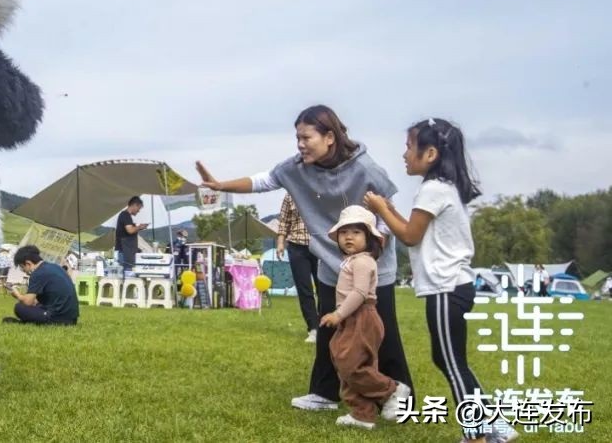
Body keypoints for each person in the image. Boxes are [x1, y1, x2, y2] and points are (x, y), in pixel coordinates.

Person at [196, 105, 413, 412]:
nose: (299, 144)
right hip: (330, 262)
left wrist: (373, 249)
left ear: (329, 137)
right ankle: (324, 393)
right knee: (328, 331)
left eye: (305, 137)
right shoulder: (297, 168)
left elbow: (384, 212)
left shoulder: (365, 169)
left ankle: (399, 397)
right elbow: (263, 180)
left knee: (380, 330)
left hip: (372, 265)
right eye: (296, 137)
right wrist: (220, 185)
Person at [365, 118, 518, 442]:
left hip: (447, 288)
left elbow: (408, 235)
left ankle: (479, 435)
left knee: (452, 362)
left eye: (409, 147)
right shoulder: (441, 188)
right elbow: (416, 232)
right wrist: (390, 210)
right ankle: (495, 427)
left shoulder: (433, 189)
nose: (404, 154)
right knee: (448, 358)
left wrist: (381, 208)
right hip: (453, 287)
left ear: (430, 153)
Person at [320, 206, 408, 430]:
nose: (348, 236)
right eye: (344, 232)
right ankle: (362, 414)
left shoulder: (363, 261)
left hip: (362, 317)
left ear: (369, 238)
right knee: (345, 362)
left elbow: (359, 293)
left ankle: (392, 389)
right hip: (352, 318)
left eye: (356, 232)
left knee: (351, 365)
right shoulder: (352, 260)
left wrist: (338, 314)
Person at [277, 192, 318, 343]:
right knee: (304, 289)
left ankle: (327, 327)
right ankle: (313, 329)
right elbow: (284, 221)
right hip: (296, 246)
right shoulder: (290, 194)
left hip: (321, 244)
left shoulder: (323, 189)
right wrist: (280, 243)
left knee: (325, 288)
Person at [4, 244, 78, 325]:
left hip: (57, 318)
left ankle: (27, 322)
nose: (24, 271)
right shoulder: (56, 267)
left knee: (19, 308)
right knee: (37, 306)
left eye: (22, 267)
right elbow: (37, 300)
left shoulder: (37, 273)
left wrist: (17, 295)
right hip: (72, 319)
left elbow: (28, 302)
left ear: (28, 263)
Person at [115, 196, 148, 271]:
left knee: (127, 272)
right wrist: (139, 227)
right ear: (134, 205)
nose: (138, 211)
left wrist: (138, 227)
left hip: (126, 251)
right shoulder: (125, 215)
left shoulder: (126, 216)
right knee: (126, 274)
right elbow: (130, 230)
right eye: (139, 208)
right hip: (124, 252)